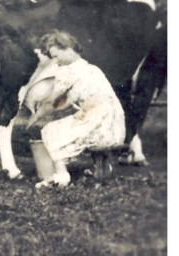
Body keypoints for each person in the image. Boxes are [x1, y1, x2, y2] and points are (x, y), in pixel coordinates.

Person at [26, 30, 125, 188]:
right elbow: (66, 101)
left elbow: (52, 101)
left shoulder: (67, 71)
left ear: (69, 51)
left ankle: (61, 176)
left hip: (97, 118)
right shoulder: (91, 68)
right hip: (114, 120)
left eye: (57, 56)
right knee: (67, 128)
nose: (56, 62)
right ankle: (103, 169)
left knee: (51, 130)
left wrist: (36, 115)